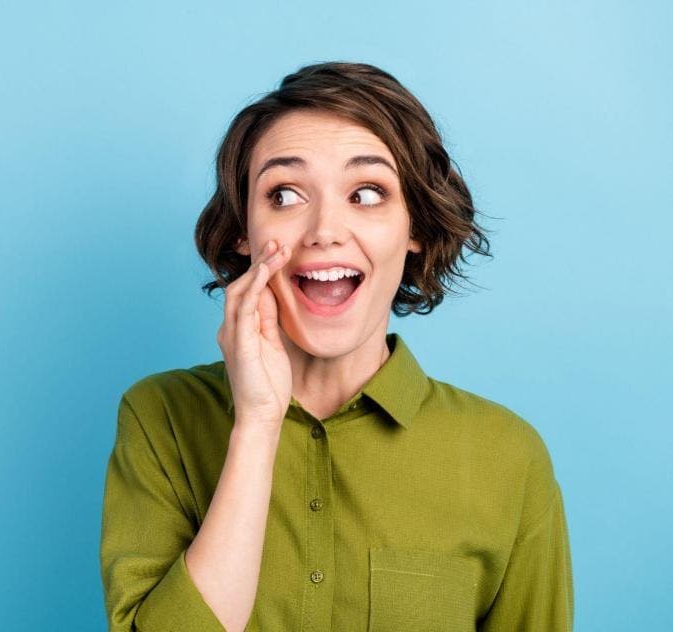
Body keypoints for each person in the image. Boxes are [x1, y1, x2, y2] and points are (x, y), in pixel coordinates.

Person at [99, 61, 573, 632]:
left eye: (367, 192)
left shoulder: (508, 456)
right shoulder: (161, 417)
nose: (325, 228)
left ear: (414, 226)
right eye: (286, 194)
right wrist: (256, 422)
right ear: (243, 232)